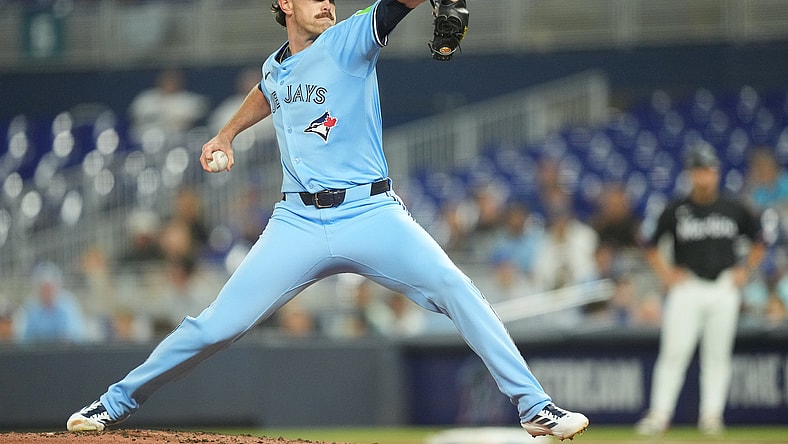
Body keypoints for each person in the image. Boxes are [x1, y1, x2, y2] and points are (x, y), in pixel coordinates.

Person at [66, 1, 588, 440]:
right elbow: (268, 90)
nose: (327, 3)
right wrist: (226, 134)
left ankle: (534, 406)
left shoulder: (349, 39)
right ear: (284, 4)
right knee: (215, 326)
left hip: (370, 212)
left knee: (456, 288)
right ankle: (114, 403)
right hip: (297, 221)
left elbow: (396, 4)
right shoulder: (276, 66)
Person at [635, 141, 766, 436]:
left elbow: (760, 239)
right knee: (674, 353)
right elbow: (649, 243)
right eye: (699, 170)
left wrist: (746, 270)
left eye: (709, 170)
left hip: (723, 286)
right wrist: (666, 274)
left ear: (716, 173)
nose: (705, 176)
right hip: (688, 286)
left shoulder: (733, 207)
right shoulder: (676, 209)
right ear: (691, 174)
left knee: (717, 356)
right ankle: (659, 415)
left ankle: (711, 416)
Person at [18, 261, 88, 344]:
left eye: (50, 287)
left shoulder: (68, 305)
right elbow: (26, 340)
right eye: (43, 288)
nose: (47, 292)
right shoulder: (32, 308)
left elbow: (74, 337)